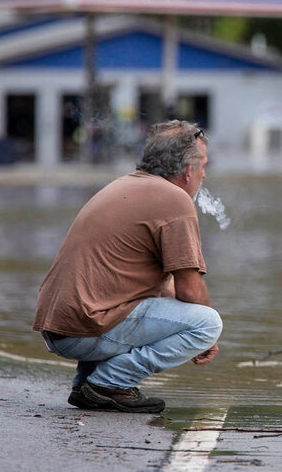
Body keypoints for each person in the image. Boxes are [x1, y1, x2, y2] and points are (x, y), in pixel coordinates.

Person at [33, 120, 222, 413]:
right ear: (187, 171)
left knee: (148, 300)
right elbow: (190, 289)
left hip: (60, 326)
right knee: (207, 323)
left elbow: (166, 287)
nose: (204, 174)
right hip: (83, 328)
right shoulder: (175, 200)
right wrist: (208, 339)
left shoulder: (126, 184)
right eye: (203, 166)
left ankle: (87, 384)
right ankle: (108, 384)